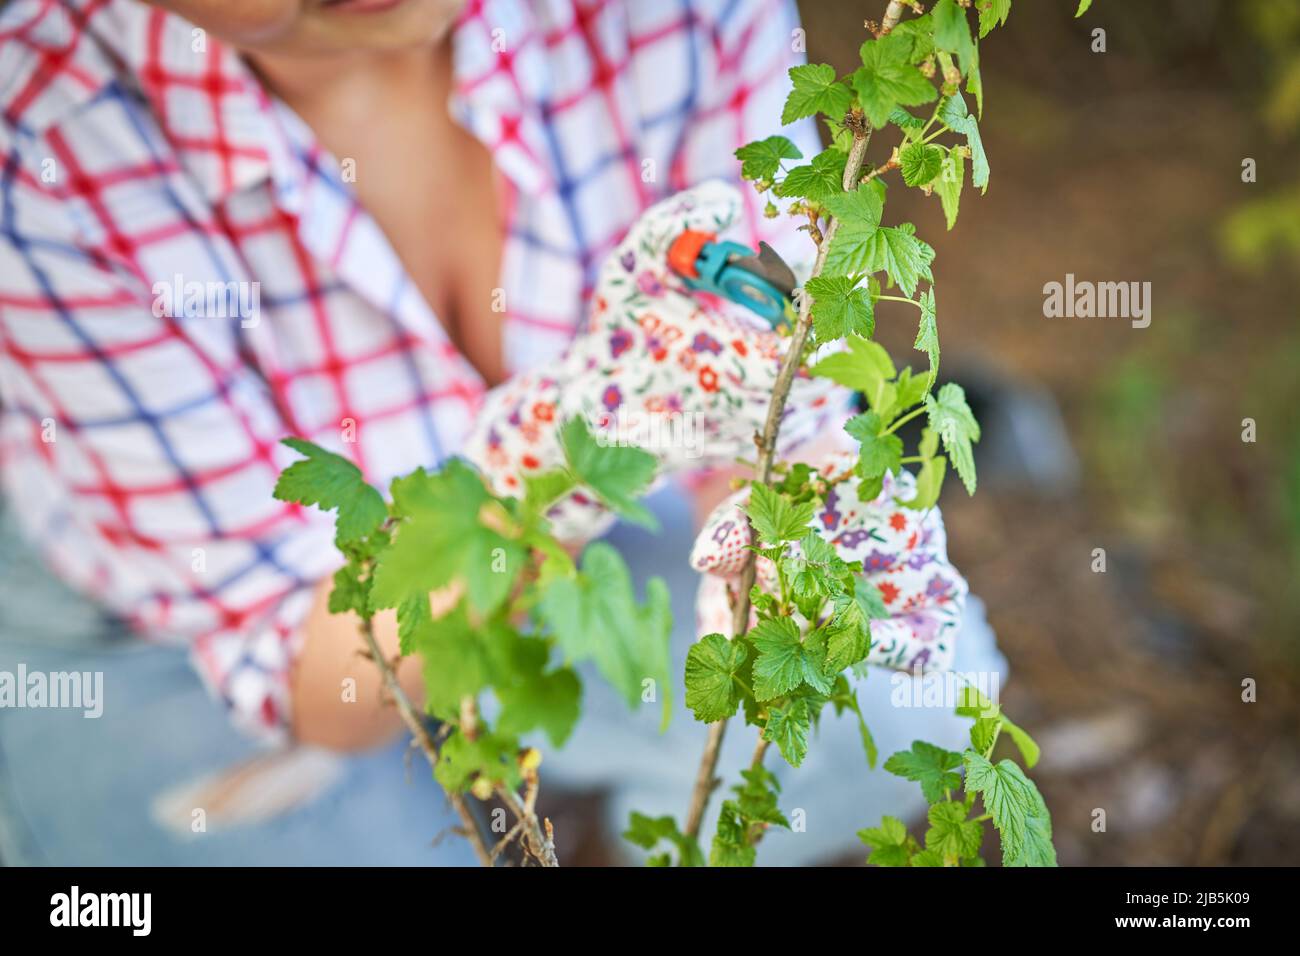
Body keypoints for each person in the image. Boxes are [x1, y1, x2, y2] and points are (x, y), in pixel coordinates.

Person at [0, 0, 1004, 865]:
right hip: (188, 635)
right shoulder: (42, 146)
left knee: (883, 694)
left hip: (596, 529)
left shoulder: (675, 14)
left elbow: (777, 371)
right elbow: (318, 671)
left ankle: (585, 797)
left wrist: (779, 503)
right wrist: (565, 446)